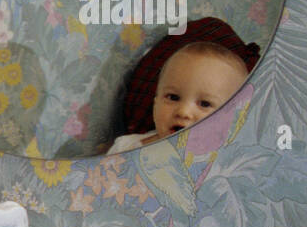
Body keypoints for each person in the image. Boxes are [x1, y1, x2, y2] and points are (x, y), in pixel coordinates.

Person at [107, 41, 249, 154]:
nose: (183, 112)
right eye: (173, 97)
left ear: (233, 119)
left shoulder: (226, 166)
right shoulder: (126, 148)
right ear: (156, 102)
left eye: (205, 104)